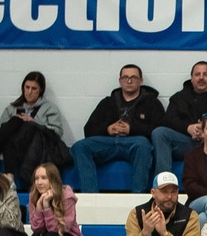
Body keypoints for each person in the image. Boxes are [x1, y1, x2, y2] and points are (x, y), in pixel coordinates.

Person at [70, 64, 164, 194]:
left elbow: (158, 130)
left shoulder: (152, 103)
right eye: (125, 77)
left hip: (135, 144)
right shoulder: (107, 102)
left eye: (133, 77)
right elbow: (89, 129)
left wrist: (131, 129)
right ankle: (90, 195)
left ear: (141, 81)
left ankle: (137, 196)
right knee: (79, 146)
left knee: (143, 145)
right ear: (120, 81)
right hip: (108, 143)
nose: (129, 81)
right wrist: (108, 129)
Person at [0, 71, 68, 189]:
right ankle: (9, 178)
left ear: (41, 90)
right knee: (14, 123)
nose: (29, 92)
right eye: (27, 87)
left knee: (22, 124)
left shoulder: (50, 108)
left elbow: (57, 132)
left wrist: (34, 122)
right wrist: (13, 122)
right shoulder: (12, 107)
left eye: (34, 88)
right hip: (15, 148)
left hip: (37, 148)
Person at [153, 61, 207, 173]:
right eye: (197, 74)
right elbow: (168, 120)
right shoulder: (179, 97)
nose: (201, 78)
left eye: (206, 74)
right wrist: (188, 128)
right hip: (188, 142)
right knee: (159, 132)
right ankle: (164, 184)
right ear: (192, 78)